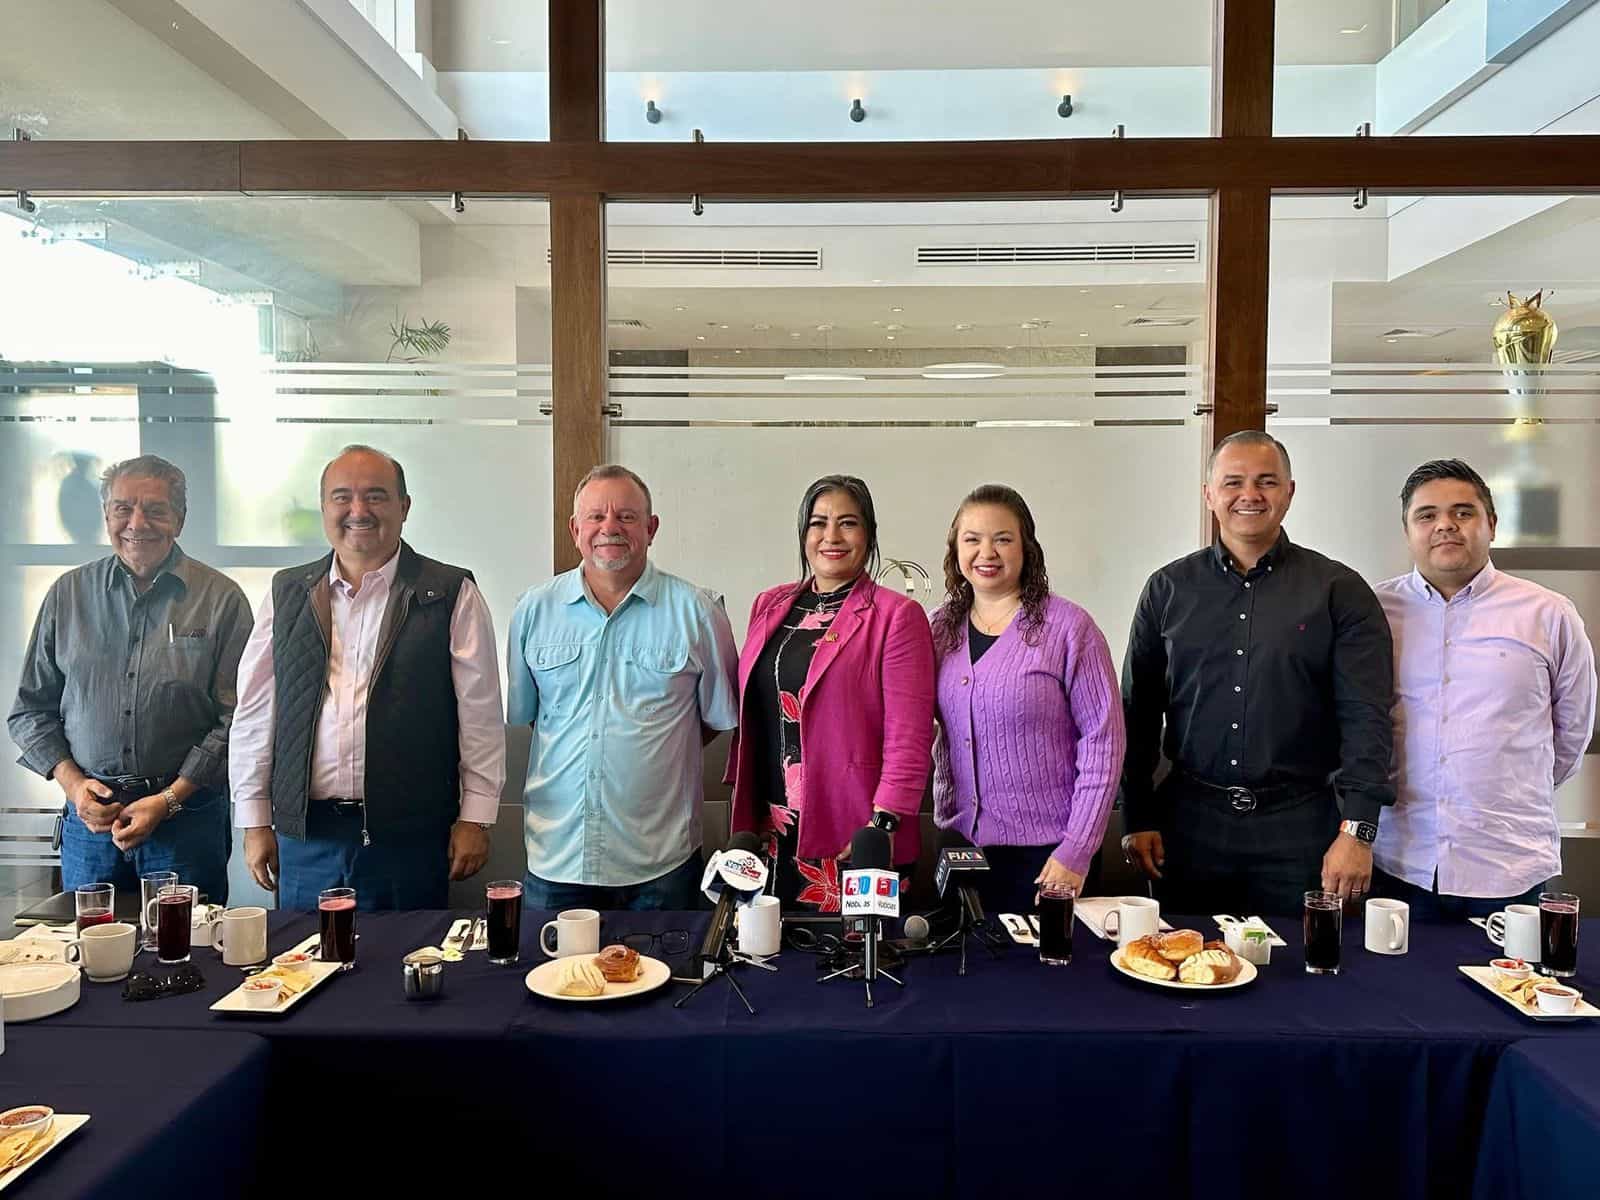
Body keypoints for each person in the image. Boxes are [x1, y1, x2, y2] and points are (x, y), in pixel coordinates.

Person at [1120, 431, 1394, 916]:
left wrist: (1357, 831)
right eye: (1233, 482)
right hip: (1189, 825)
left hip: (1301, 826)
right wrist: (1137, 815)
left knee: (1303, 979)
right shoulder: (1167, 590)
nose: (1250, 495)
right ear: (1209, 495)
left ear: (1289, 491)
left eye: (1266, 481)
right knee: (1184, 970)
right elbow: (1137, 715)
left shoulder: (1338, 591)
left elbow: (1366, 719)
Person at [229, 445, 506, 910]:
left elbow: (480, 715)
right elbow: (255, 713)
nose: (358, 511)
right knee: (304, 971)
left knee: (406, 968)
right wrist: (255, 820)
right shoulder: (287, 594)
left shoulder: (449, 593)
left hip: (410, 839)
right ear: (323, 508)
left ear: (404, 507)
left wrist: (475, 818)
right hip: (306, 838)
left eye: (376, 496)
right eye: (342, 497)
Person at [9, 455, 249, 904]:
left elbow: (238, 719)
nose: (137, 523)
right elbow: (30, 710)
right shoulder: (68, 595)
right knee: (93, 957)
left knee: (189, 956)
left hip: (186, 821)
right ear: (106, 516)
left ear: (179, 519)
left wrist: (169, 800)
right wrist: (74, 786)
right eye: (123, 508)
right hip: (90, 824)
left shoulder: (221, 600)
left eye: (155, 509)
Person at [507, 465, 739, 911]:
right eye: (595, 517)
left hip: (660, 863)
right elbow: (532, 717)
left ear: (651, 529)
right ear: (576, 530)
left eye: (627, 517)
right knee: (551, 980)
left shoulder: (699, 613)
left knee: (667, 982)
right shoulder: (533, 610)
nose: (609, 528)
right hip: (557, 859)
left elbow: (711, 721)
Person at [1372, 458, 1596, 921]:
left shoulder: (1548, 614)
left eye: (1463, 512)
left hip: (1508, 866)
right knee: (1390, 993)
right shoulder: (1375, 612)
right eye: (1427, 515)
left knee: (1511, 991)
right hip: (1399, 865)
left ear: (1491, 524)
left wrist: (1506, 786)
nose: (1445, 526)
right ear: (1407, 531)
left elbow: (1573, 731)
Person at [727, 475, 935, 910]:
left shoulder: (898, 616)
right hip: (772, 828)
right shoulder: (769, 605)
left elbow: (910, 738)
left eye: (848, 523)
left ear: (869, 535)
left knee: (860, 968)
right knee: (773, 962)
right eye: (818, 523)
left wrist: (883, 825)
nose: (831, 537)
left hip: (857, 832)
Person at [930, 485, 1125, 915]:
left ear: (1026, 548)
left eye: (1003, 538)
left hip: (1049, 855)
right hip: (960, 846)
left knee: (1049, 977)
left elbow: (1105, 743)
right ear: (955, 549)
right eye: (972, 539)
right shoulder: (940, 630)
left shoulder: (1069, 628)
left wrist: (1077, 851)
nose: (987, 552)